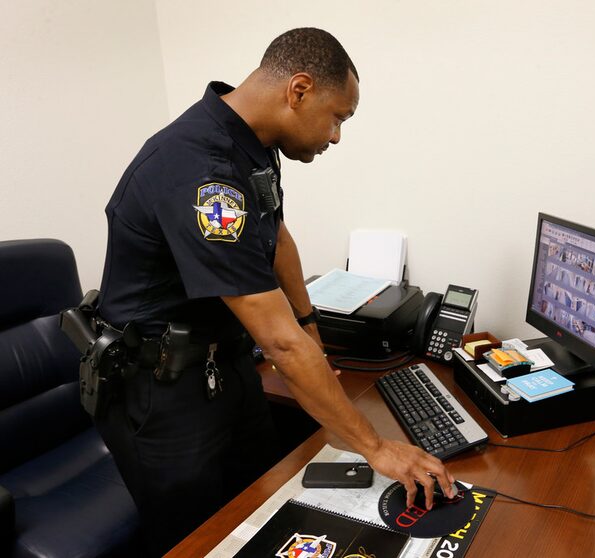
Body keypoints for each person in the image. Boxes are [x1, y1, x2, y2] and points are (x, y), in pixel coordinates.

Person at [94, 27, 453, 556]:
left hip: (227, 367)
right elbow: (279, 343)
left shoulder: (251, 143)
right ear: (299, 90)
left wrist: (311, 327)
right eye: (338, 117)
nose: (335, 136)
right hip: (162, 392)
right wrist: (376, 449)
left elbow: (276, 234)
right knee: (200, 542)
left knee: (265, 517)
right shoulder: (201, 170)